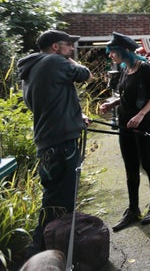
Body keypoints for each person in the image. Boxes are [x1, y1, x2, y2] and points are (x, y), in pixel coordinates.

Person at [17, 30, 93, 260]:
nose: (72, 50)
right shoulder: (54, 61)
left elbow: (51, 103)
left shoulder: (32, 70)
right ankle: (43, 250)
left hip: (49, 142)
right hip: (61, 144)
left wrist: (75, 118)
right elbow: (85, 75)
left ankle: (49, 247)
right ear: (56, 47)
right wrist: (69, 59)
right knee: (59, 200)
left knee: (53, 196)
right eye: (69, 45)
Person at [99, 32, 150, 231]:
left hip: (144, 125)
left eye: (113, 52)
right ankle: (133, 209)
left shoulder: (145, 69)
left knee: (148, 163)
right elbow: (125, 93)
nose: (110, 55)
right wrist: (112, 103)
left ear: (125, 51)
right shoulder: (123, 69)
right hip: (125, 124)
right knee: (130, 166)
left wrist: (141, 115)